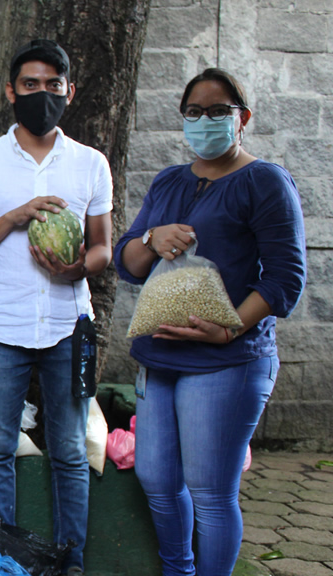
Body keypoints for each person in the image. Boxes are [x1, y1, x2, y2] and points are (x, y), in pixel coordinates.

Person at [114, 68, 306, 576]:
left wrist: (229, 328)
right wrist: (151, 239)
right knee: (156, 478)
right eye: (193, 112)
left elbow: (286, 278)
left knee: (211, 493)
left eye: (218, 110)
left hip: (227, 362)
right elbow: (128, 263)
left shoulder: (264, 181)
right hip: (159, 358)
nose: (205, 120)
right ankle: (179, 570)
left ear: (242, 118)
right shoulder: (169, 181)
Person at [0, 39, 113, 574]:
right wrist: (13, 217)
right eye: (31, 84)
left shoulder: (91, 163)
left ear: (69, 91)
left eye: (53, 85)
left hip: (68, 326)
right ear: (12, 91)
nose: (42, 93)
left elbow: (104, 247)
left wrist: (77, 268)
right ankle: (4, 563)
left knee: (68, 452)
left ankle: (71, 565)